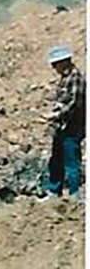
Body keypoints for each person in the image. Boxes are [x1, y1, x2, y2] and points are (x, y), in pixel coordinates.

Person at [44, 46, 85, 196]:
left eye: (55, 64)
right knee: (56, 160)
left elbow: (74, 104)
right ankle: (54, 191)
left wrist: (55, 115)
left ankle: (75, 195)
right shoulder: (65, 79)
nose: (54, 68)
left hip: (72, 128)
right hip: (62, 126)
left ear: (64, 62)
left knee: (72, 163)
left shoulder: (76, 78)